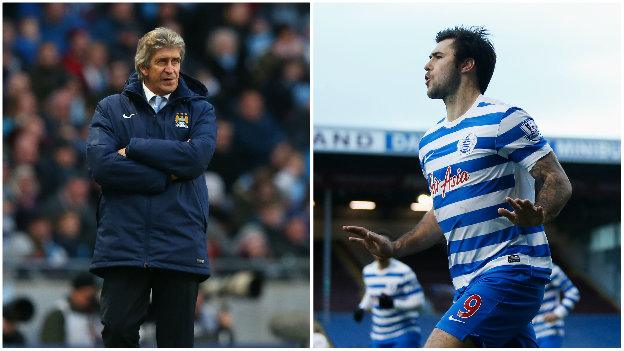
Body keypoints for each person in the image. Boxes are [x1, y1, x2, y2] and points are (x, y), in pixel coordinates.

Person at [343, 26, 572, 347]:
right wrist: (395, 248)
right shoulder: (429, 143)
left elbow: (555, 179)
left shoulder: (503, 119)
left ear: (467, 65)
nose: (427, 65)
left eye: (437, 57)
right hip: (466, 280)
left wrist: (539, 213)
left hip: (510, 267)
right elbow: (440, 212)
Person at [85, 27, 217, 347]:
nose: (171, 69)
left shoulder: (200, 109)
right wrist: (163, 176)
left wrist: (135, 148)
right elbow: (102, 166)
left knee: (176, 341)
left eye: (175, 61)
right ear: (143, 68)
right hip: (125, 239)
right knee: (117, 330)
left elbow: (195, 159)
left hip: (180, 238)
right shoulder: (111, 108)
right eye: (162, 62)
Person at [354, 256, 424, 347]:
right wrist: (362, 308)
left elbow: (419, 303)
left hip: (404, 334)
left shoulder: (404, 271)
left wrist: (393, 304)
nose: (379, 248)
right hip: (378, 336)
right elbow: (370, 293)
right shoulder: (368, 271)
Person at [40, 273, 102, 347]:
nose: (90, 301)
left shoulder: (96, 312)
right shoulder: (59, 314)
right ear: (75, 292)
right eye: (87, 297)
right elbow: (52, 345)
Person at [531, 263, 580, 347]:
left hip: (549, 330)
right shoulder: (515, 269)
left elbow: (573, 292)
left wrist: (558, 314)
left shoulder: (550, 268)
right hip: (528, 333)